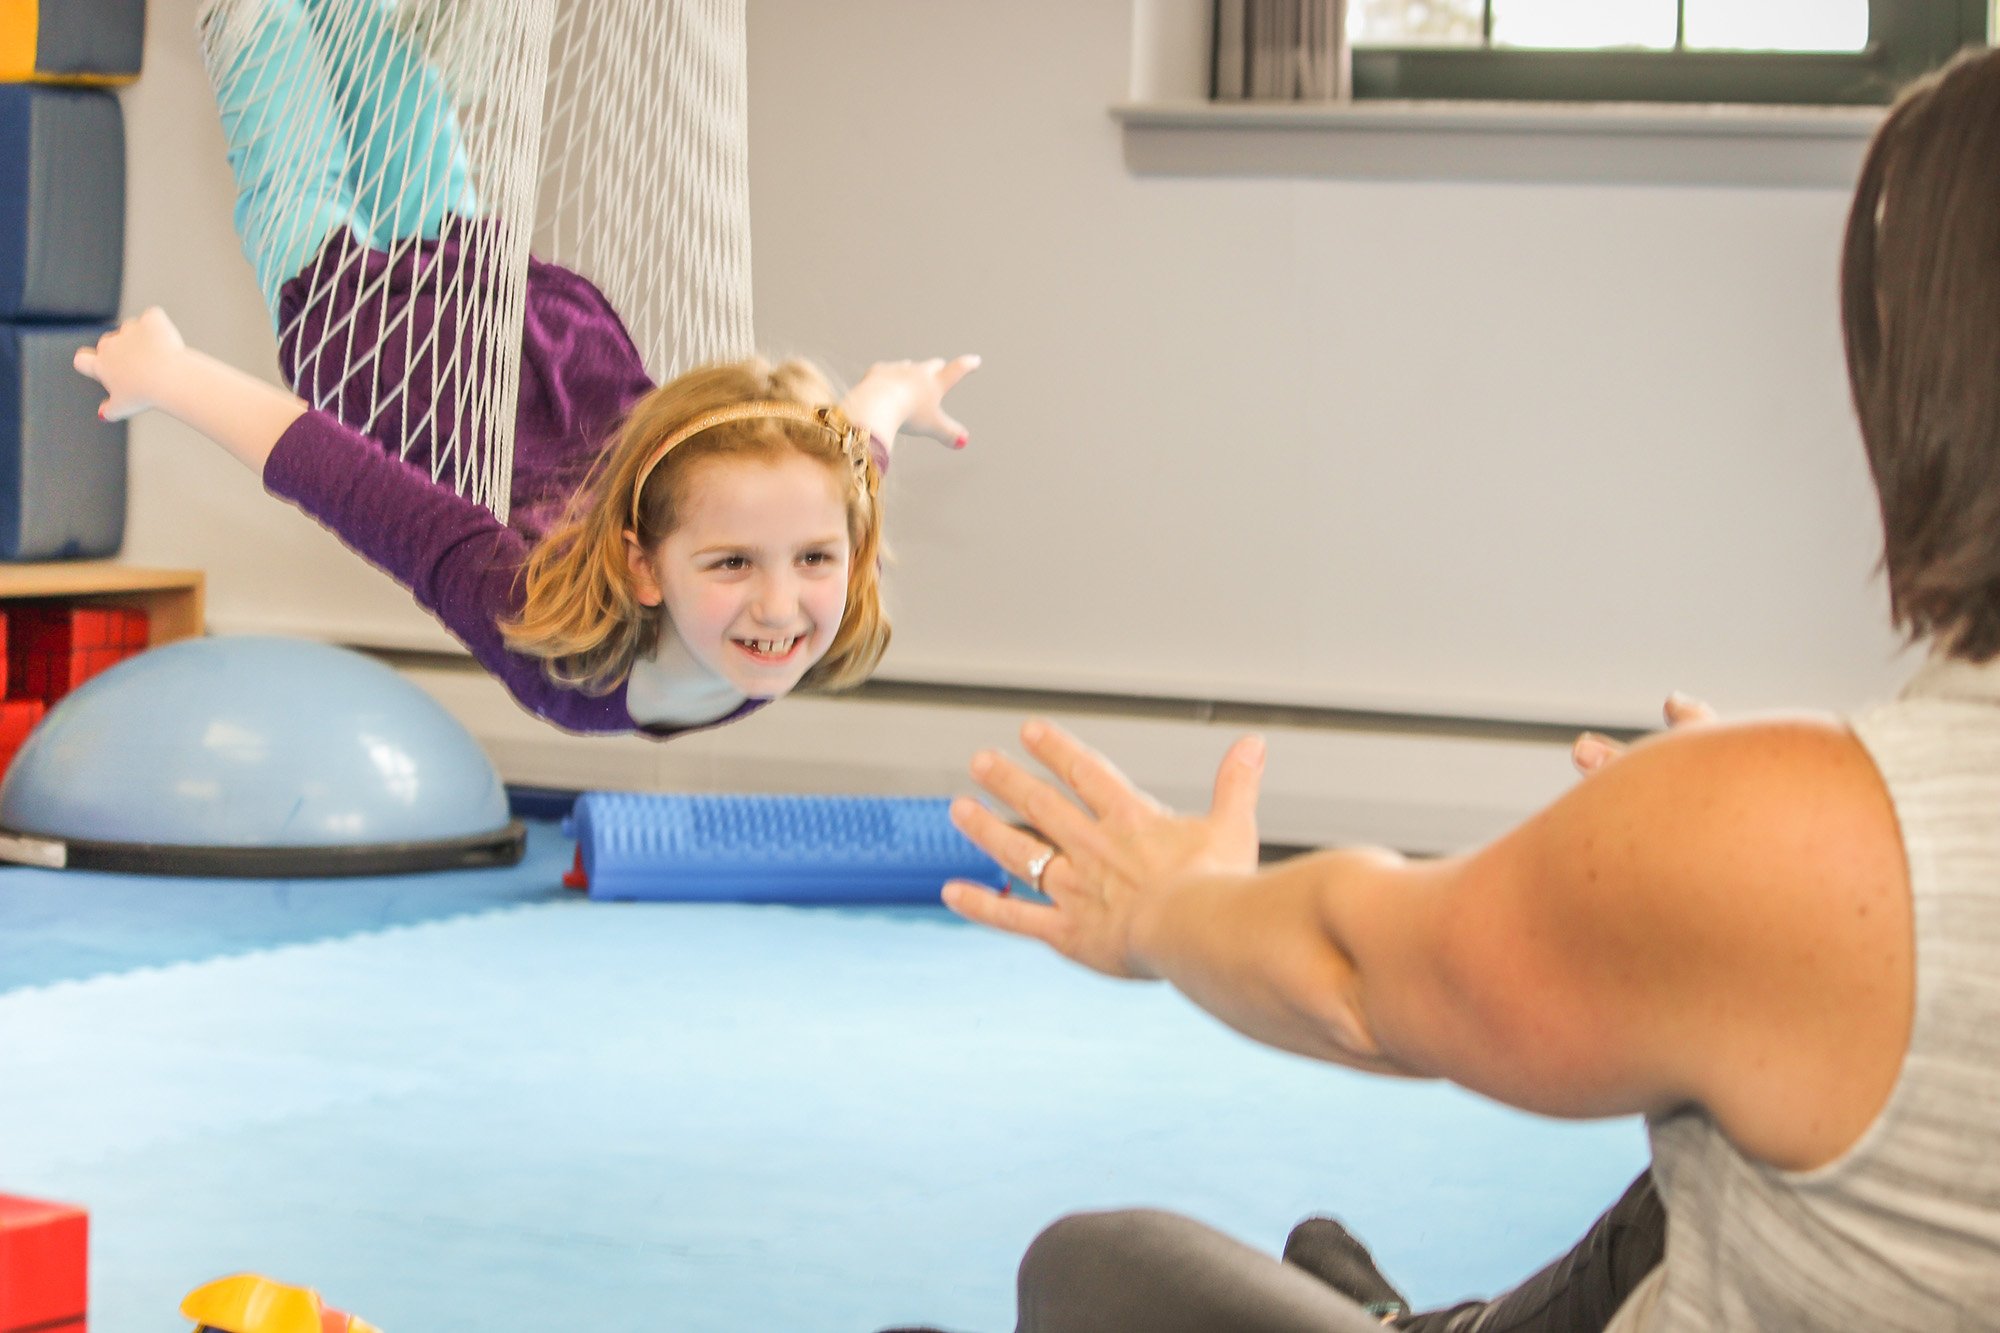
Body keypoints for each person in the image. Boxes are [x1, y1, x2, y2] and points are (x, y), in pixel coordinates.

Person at [920, 43, 2000, 1333]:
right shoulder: (1805, 833)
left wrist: (1167, 899)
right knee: (1697, 1147)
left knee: (1093, 1266)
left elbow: (1355, 980)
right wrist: (1739, 863)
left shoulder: (1811, 840)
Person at [73, 0, 977, 738]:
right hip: (461, 327)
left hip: (418, 356)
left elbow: (341, 476)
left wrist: (175, 377)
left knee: (276, 52)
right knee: (379, 66)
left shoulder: (561, 625)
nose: (782, 605)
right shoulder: (580, 615)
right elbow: (851, 447)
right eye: (739, 561)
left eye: (810, 557)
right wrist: (898, 390)